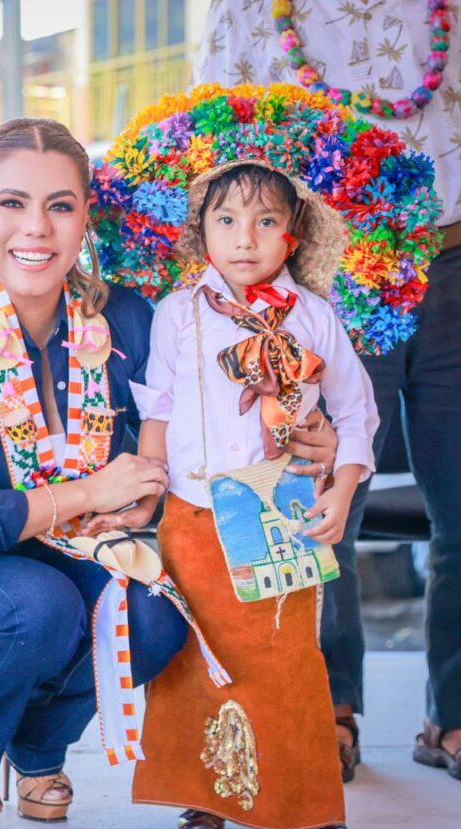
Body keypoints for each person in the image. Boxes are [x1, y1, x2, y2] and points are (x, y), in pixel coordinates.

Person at [0, 118, 337, 829]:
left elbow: (208, 426)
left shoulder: (130, 322)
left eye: (60, 205)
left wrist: (307, 431)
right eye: (13, 203)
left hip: (83, 548)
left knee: (155, 617)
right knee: (40, 604)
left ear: (86, 217)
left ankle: (38, 741)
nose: (38, 228)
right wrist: (93, 492)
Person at [194, 0, 461, 783]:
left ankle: (454, 714)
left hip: (454, 256)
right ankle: (325, 705)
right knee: (313, 503)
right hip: (323, 273)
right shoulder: (248, 9)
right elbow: (220, 138)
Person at [107, 157, 377, 829]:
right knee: (197, 657)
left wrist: (342, 489)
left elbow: (356, 414)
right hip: (193, 515)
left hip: (280, 515)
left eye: (265, 222)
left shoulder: (315, 318)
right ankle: (203, 801)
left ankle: (304, 804)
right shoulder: (177, 315)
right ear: (201, 233)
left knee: (287, 659)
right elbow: (158, 412)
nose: (245, 237)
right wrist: (149, 499)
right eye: (226, 221)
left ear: (293, 235)